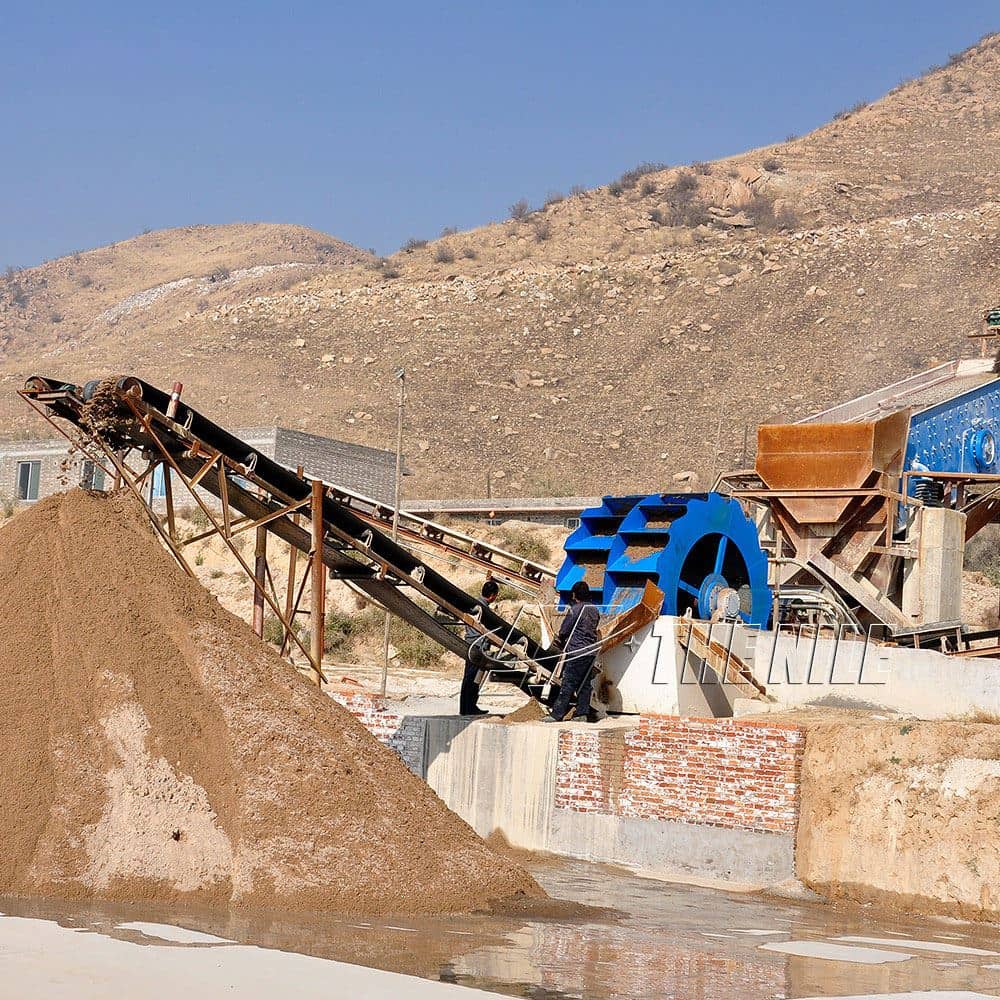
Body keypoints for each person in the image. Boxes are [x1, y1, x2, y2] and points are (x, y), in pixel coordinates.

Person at [545, 581, 601, 723]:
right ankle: (582, 713)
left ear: (575, 594)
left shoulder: (575, 610)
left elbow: (564, 630)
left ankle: (556, 714)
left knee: (568, 683)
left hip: (576, 651)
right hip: (590, 652)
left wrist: (560, 640)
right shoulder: (594, 610)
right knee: (584, 684)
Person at [460, 579, 500, 715]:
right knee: (474, 679)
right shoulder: (484, 611)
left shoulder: (473, 605)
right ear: (492, 595)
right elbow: (488, 632)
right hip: (478, 648)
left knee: (468, 678)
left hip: (470, 645)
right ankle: (470, 708)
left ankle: (465, 708)